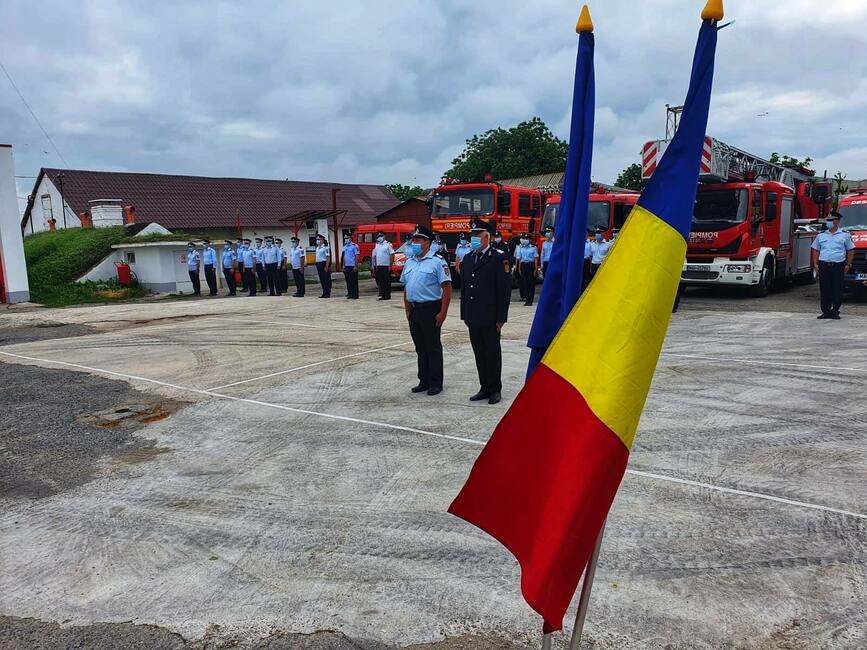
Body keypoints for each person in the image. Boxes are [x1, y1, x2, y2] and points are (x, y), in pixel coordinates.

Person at [460, 219, 511, 405]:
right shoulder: (467, 258)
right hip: (473, 315)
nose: (473, 238)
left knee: (492, 352)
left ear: (487, 237)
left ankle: (495, 389)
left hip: (491, 316)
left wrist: (501, 317)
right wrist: (464, 313)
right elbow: (465, 289)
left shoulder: (498, 257)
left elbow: (503, 290)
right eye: (472, 235)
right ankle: (484, 387)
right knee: (479, 352)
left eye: (477, 235)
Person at [401, 224, 452, 396]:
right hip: (415, 310)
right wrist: (407, 309)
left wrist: (443, 312)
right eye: (413, 239)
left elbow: (446, 289)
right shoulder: (409, 262)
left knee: (433, 347)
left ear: (427, 242)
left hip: (431, 309)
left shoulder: (437, 262)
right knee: (420, 347)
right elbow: (406, 287)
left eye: (418, 239)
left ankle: (436, 382)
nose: (414, 242)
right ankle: (423, 380)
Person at [811, 211, 855, 320]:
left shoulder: (845, 235)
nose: (829, 222)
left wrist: (848, 264)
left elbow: (850, 250)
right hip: (824, 265)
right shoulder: (821, 235)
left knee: (837, 288)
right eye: (828, 220)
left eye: (831, 220)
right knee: (825, 288)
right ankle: (825, 311)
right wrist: (815, 263)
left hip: (838, 265)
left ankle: (835, 311)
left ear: (837, 221)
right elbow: (816, 250)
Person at [515, 233, 539, 306]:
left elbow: (536, 258)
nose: (525, 240)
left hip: (530, 265)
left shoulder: (533, 247)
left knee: (531, 283)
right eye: (524, 239)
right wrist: (519, 268)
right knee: (525, 283)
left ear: (529, 240)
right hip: (523, 265)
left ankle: (530, 300)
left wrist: (535, 268)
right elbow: (520, 259)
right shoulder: (521, 248)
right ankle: (527, 300)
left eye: (527, 239)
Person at [372, 232, 395, 300]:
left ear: (384, 237)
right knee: (381, 281)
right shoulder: (377, 245)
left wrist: (390, 264)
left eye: (381, 236)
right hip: (379, 265)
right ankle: (382, 294)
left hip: (386, 265)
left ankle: (387, 295)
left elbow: (392, 254)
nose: (379, 237)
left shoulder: (388, 245)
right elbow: (375, 255)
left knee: (386, 281)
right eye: (378, 236)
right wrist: (375, 264)